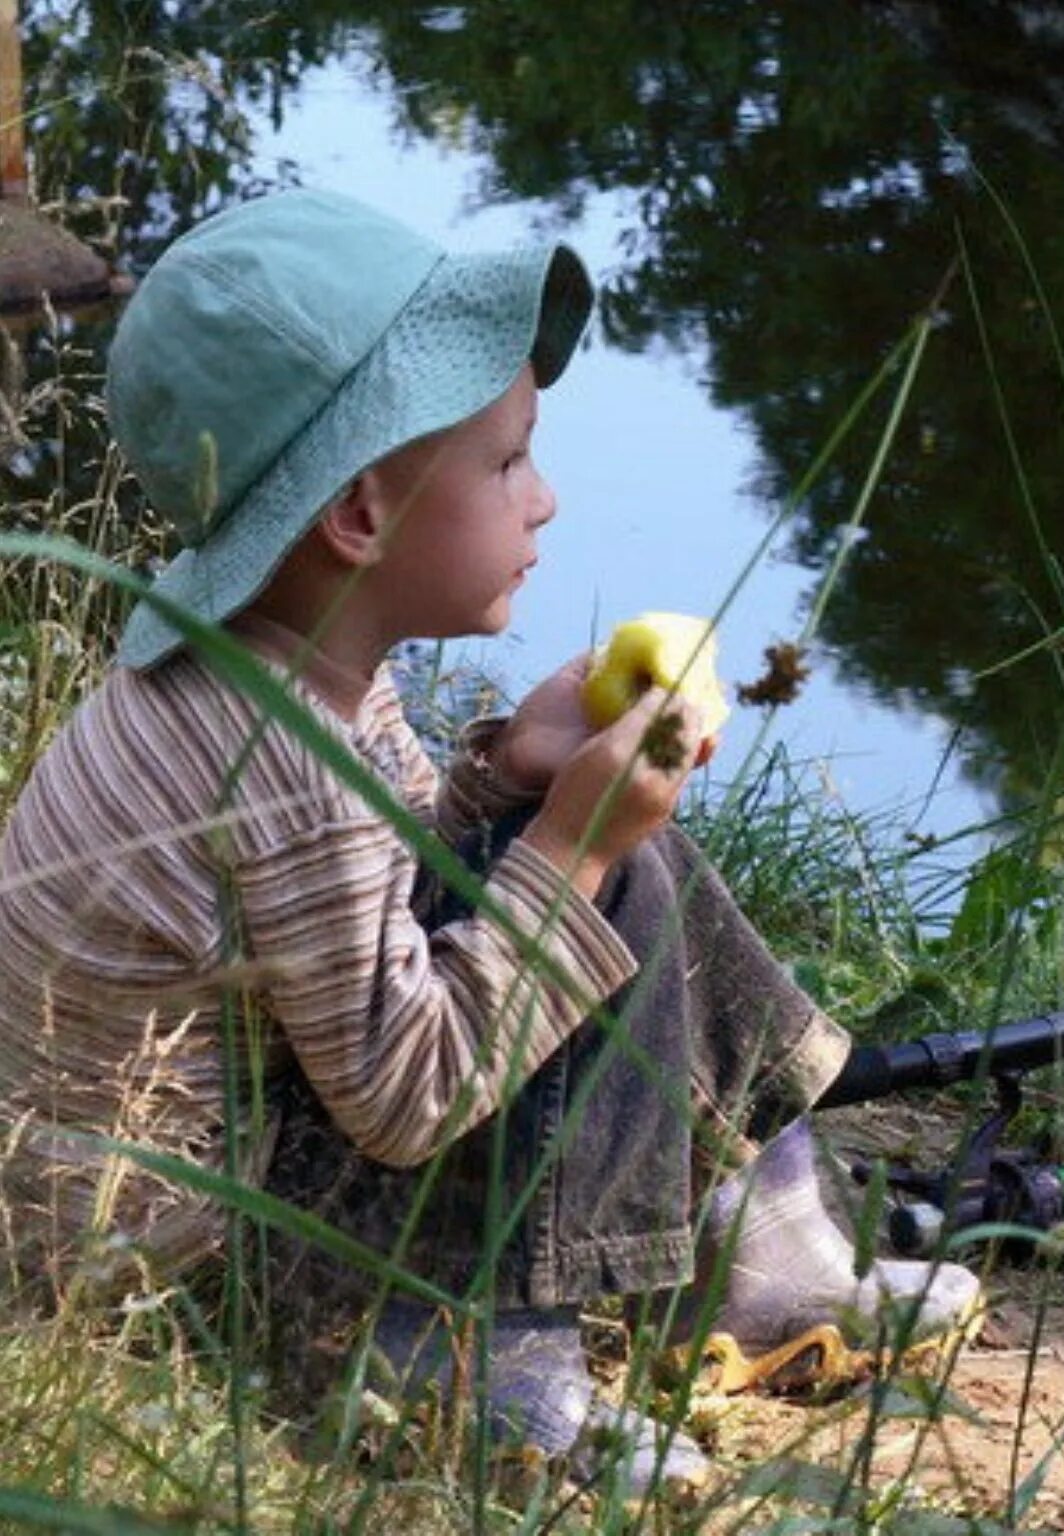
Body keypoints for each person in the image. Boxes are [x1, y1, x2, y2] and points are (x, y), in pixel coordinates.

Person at [0, 189, 978, 1494]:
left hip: (187, 1168)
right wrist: (569, 847)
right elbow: (408, 1101)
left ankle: (762, 1259)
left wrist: (508, 780)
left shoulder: (291, 662)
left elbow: (383, 892)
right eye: (509, 461)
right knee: (604, 873)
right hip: (188, 1260)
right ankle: (470, 1380)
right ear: (359, 517)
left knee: (592, 850)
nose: (548, 500)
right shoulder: (281, 763)